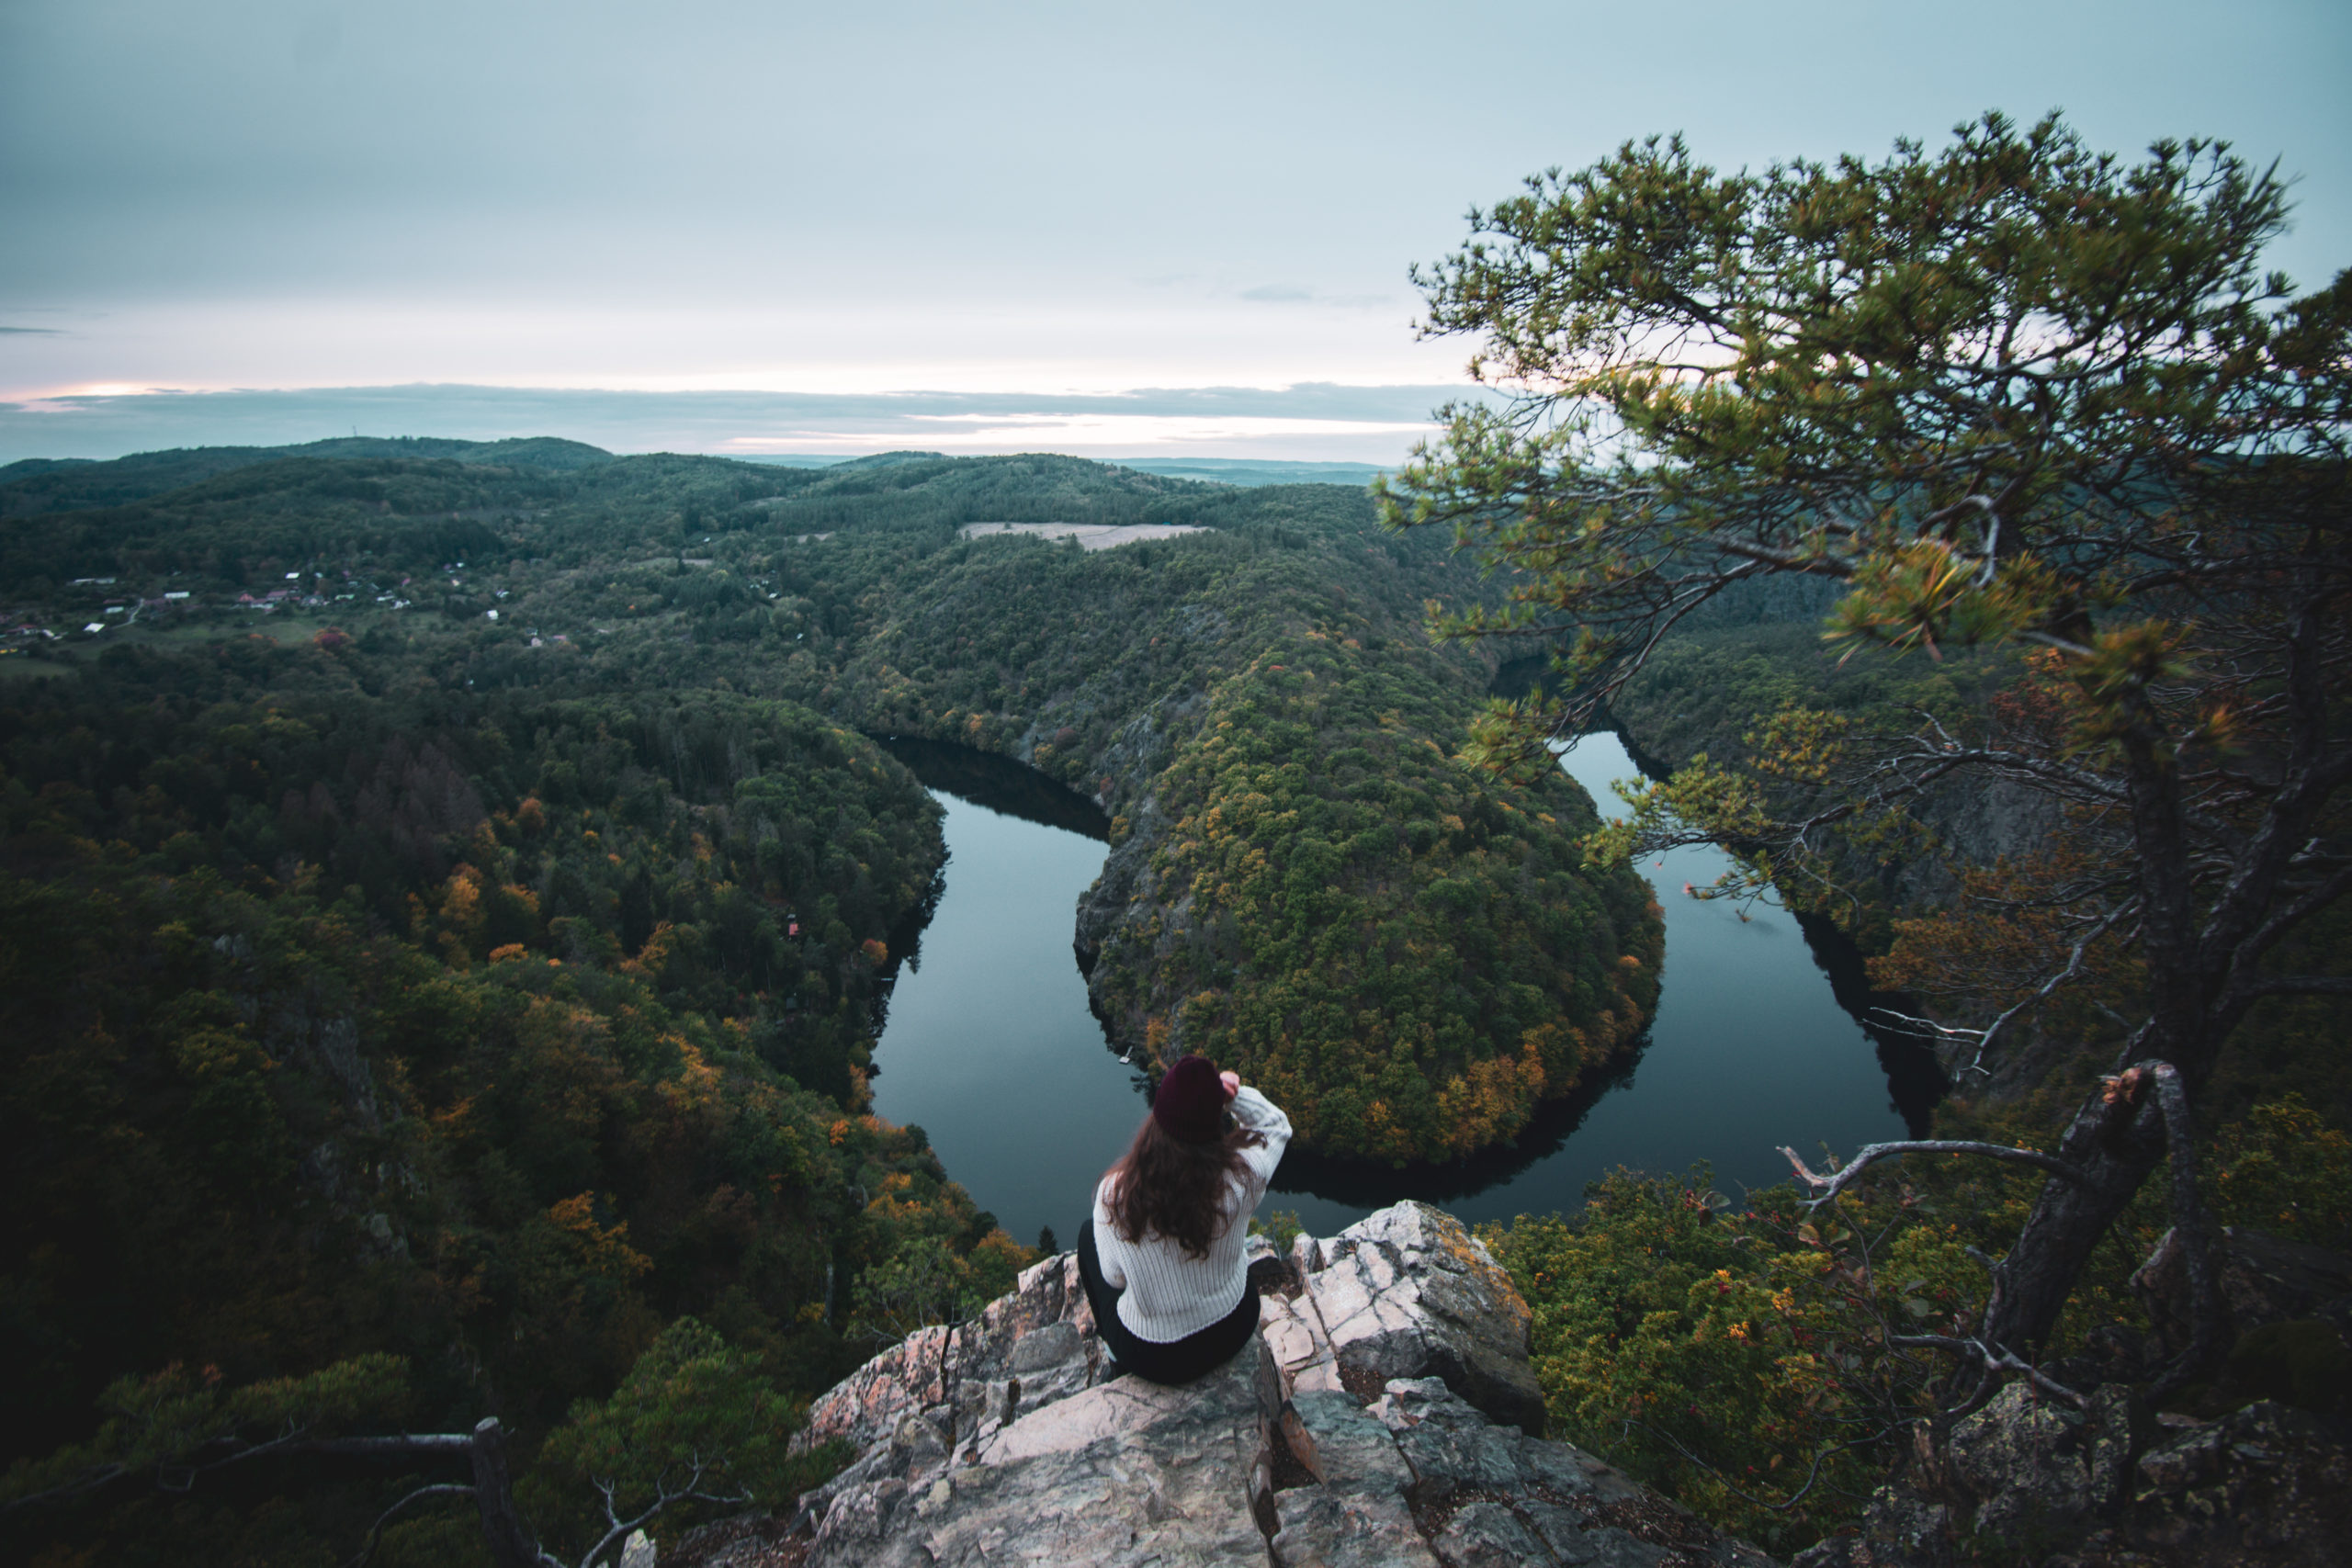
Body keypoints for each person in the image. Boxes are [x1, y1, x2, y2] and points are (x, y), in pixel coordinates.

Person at [1077, 1054, 1293, 1384]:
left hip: (1156, 1356)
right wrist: (1235, 1097)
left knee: (1086, 1236)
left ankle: (1115, 1360)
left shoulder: (1116, 1197)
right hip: (1233, 1324)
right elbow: (1276, 1126)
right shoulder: (1242, 1177)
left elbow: (1114, 1277)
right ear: (1214, 1122)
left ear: (1157, 1119)